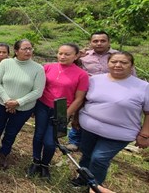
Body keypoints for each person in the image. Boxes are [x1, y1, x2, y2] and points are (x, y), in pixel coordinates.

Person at [71, 52, 149, 187]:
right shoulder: (95, 80)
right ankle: (82, 179)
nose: (118, 65)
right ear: (108, 64)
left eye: (123, 62)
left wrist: (145, 134)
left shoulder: (143, 87)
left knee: (99, 158)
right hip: (89, 128)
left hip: (119, 133)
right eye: (114, 62)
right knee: (87, 154)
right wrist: (76, 118)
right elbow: (83, 101)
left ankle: (94, 186)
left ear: (132, 66)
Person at [28, 43, 89, 180]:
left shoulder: (82, 75)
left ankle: (45, 165)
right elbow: (38, 87)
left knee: (50, 141)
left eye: (67, 54)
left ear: (76, 56)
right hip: (42, 105)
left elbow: (79, 99)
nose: (62, 56)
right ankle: (35, 161)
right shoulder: (48, 67)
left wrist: (65, 114)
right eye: (60, 53)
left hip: (61, 110)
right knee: (38, 135)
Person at [0, 39, 46, 169]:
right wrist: (7, 100)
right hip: (1, 103)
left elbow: (38, 91)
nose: (28, 51)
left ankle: (4, 154)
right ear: (16, 50)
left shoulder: (38, 69)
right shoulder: (6, 63)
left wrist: (18, 102)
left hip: (23, 108)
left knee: (11, 132)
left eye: (30, 48)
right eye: (25, 49)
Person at [67, 31, 120, 152]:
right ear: (91, 43)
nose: (99, 43)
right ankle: (74, 141)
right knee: (78, 114)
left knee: (105, 116)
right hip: (87, 90)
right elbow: (74, 69)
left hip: (110, 93)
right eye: (95, 41)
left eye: (102, 41)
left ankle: (99, 142)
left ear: (108, 42)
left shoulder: (118, 56)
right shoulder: (84, 56)